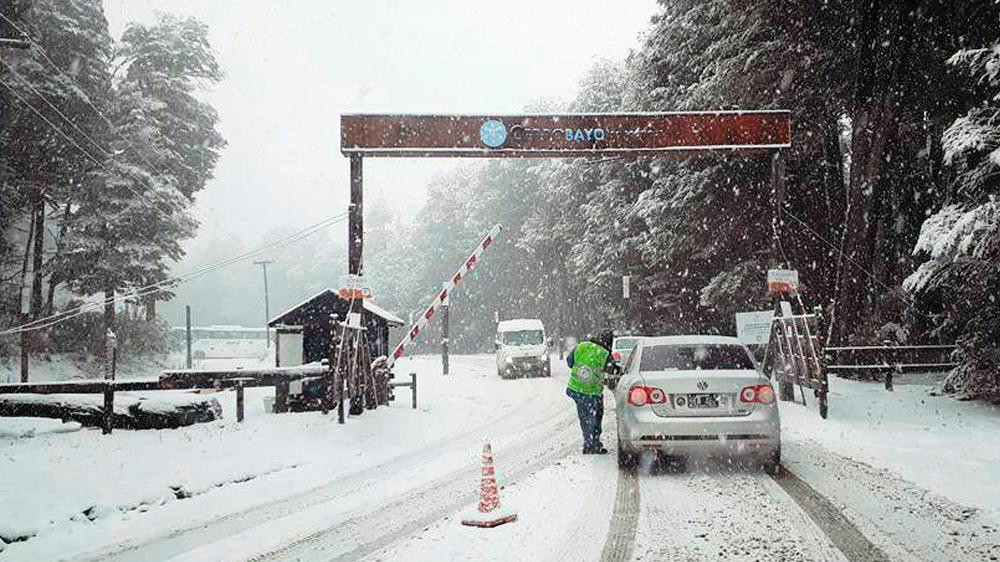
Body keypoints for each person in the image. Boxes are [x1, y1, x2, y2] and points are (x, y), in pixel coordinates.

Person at [565, 330, 618, 455]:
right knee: (595, 417)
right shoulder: (604, 354)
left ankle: (588, 443)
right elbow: (613, 370)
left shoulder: (581, 346)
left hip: (576, 389)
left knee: (584, 417)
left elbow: (569, 362)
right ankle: (593, 444)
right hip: (592, 392)